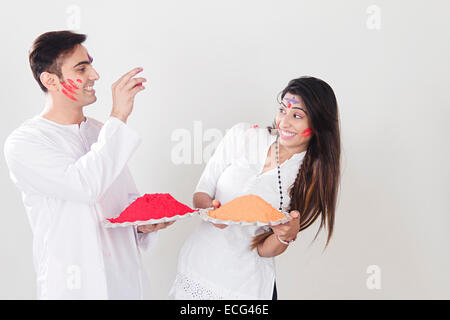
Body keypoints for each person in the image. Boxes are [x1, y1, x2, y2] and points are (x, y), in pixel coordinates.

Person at [3, 30, 173, 299]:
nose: (94, 75)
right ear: (50, 80)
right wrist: (119, 116)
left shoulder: (101, 132)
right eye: (82, 68)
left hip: (125, 281)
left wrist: (141, 225)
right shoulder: (26, 142)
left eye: (91, 65)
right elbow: (84, 187)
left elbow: (122, 203)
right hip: (74, 287)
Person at [170, 76, 341, 299]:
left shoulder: (311, 176)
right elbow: (202, 191)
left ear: (318, 125)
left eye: (297, 115)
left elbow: (264, 249)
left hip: (245, 287)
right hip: (198, 267)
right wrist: (212, 212)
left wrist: (285, 236)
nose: (284, 122)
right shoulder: (243, 135)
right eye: (282, 110)